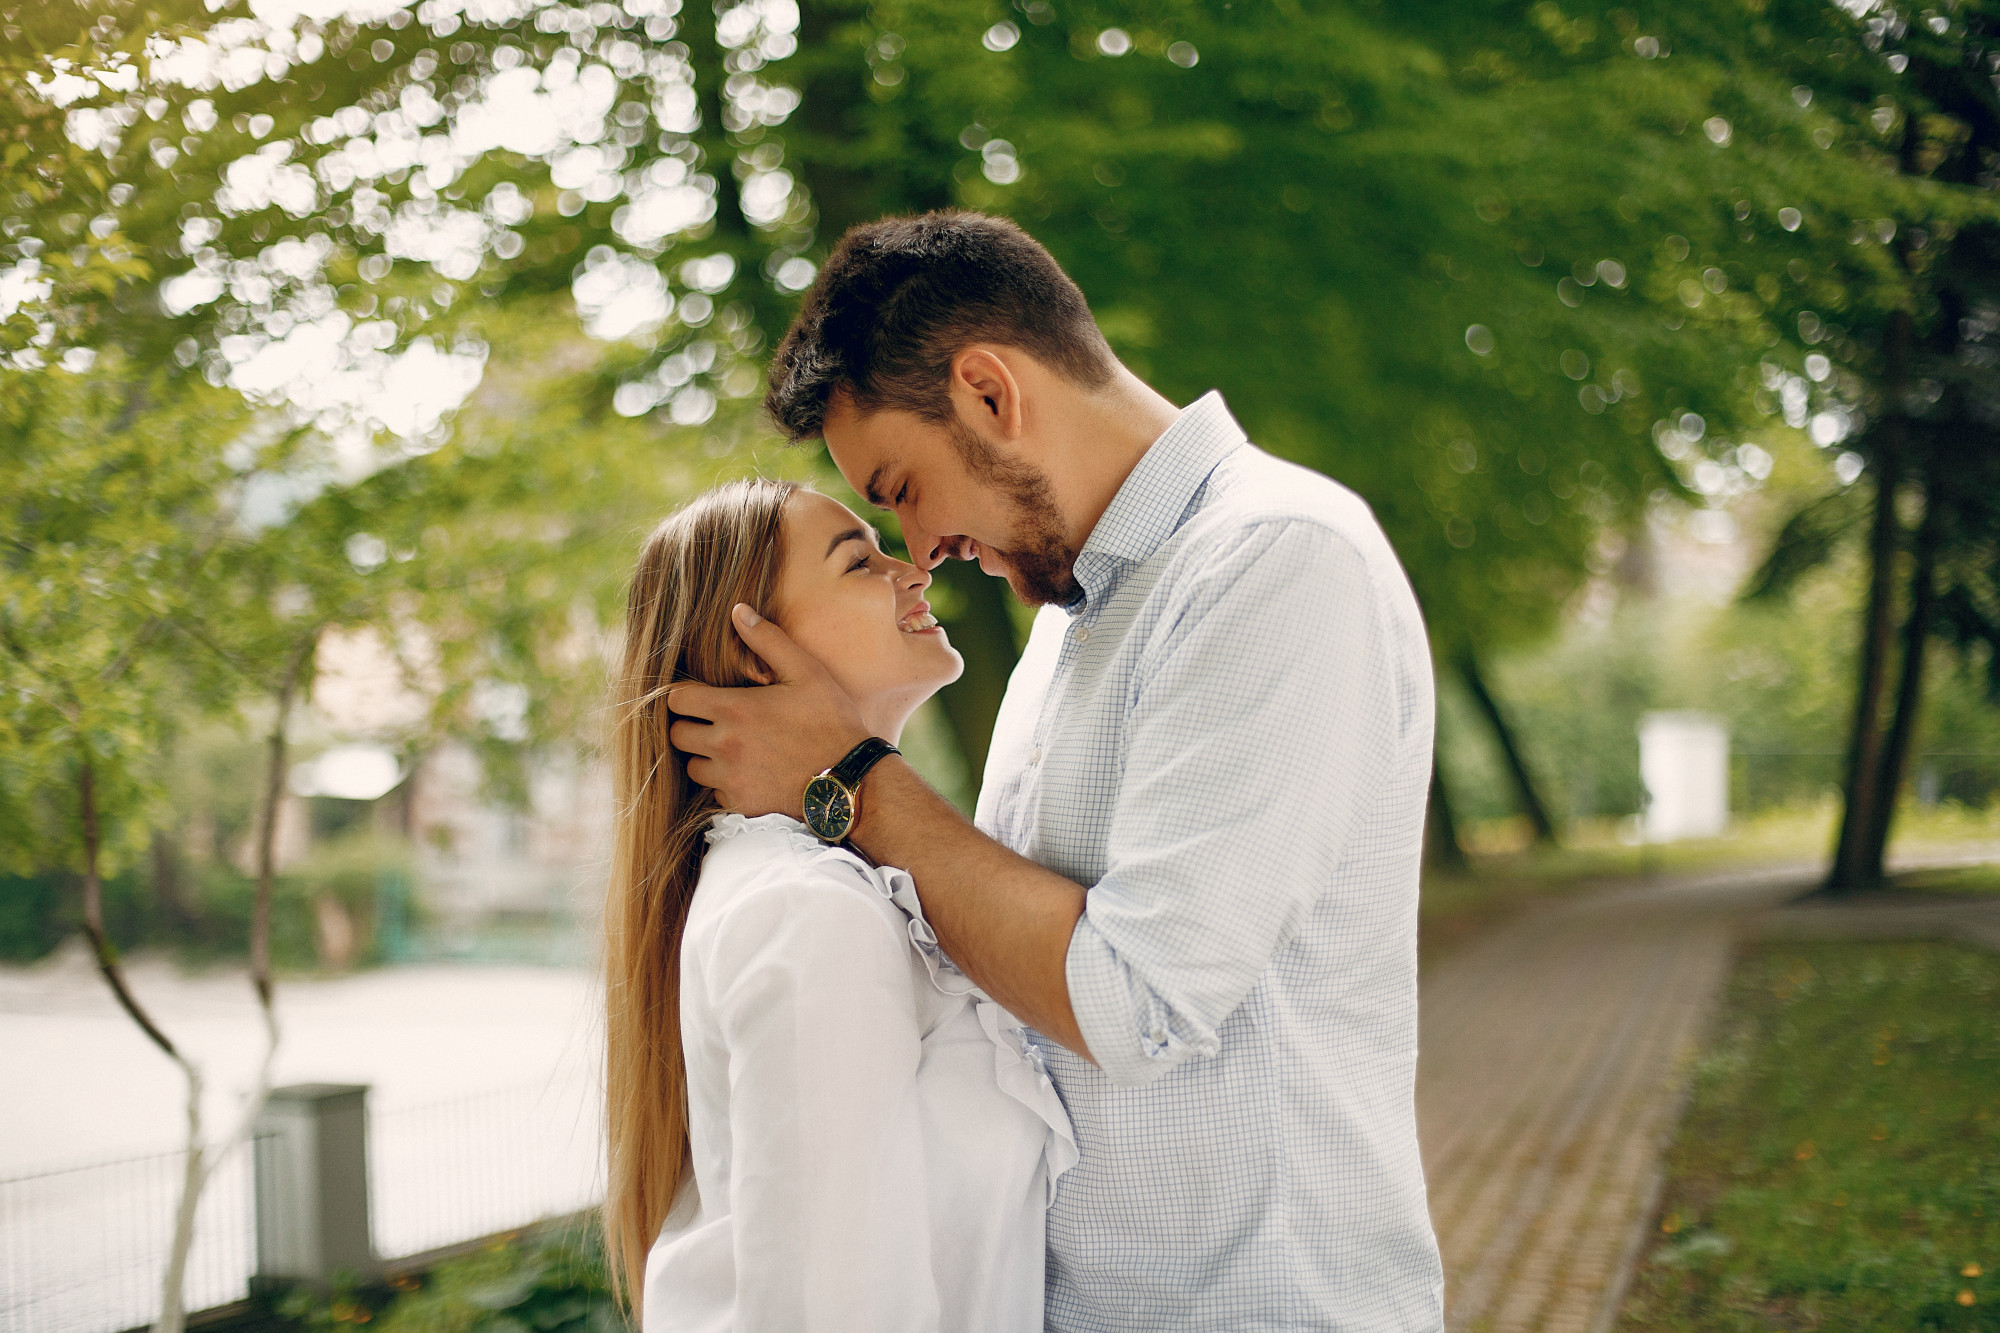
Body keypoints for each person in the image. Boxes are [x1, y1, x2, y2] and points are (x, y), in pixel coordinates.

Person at [668, 212, 1447, 1330]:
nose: (917, 546)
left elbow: (1135, 1001)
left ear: (989, 393)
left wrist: (844, 775)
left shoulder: (1273, 558)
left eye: (900, 486)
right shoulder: (1068, 625)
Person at [601, 477, 1075, 1332]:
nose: (914, 571)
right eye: (860, 561)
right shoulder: (806, 909)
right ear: (757, 654)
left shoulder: (832, 881)